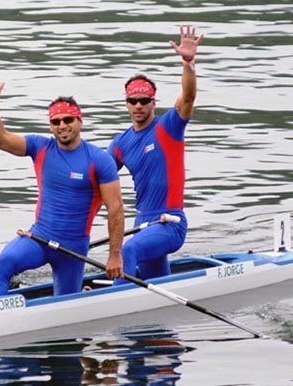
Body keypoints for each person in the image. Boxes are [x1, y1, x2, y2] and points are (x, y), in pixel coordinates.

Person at [0, 83, 124, 296]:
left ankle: (80, 294)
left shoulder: (99, 160)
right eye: (55, 121)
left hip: (73, 249)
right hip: (40, 238)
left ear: (80, 121)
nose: (62, 125)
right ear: (50, 125)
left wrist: (115, 255)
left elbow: (116, 209)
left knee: (67, 303)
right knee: (6, 261)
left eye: (68, 120)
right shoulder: (40, 147)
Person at [107, 25, 203, 282]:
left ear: (153, 102)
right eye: (133, 101)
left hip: (170, 223)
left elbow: (189, 96)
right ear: (126, 104)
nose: (138, 106)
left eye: (144, 101)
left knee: (127, 249)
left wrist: (188, 63)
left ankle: (115, 305)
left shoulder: (168, 127)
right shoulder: (120, 143)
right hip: (144, 224)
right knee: (154, 286)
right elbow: (97, 180)